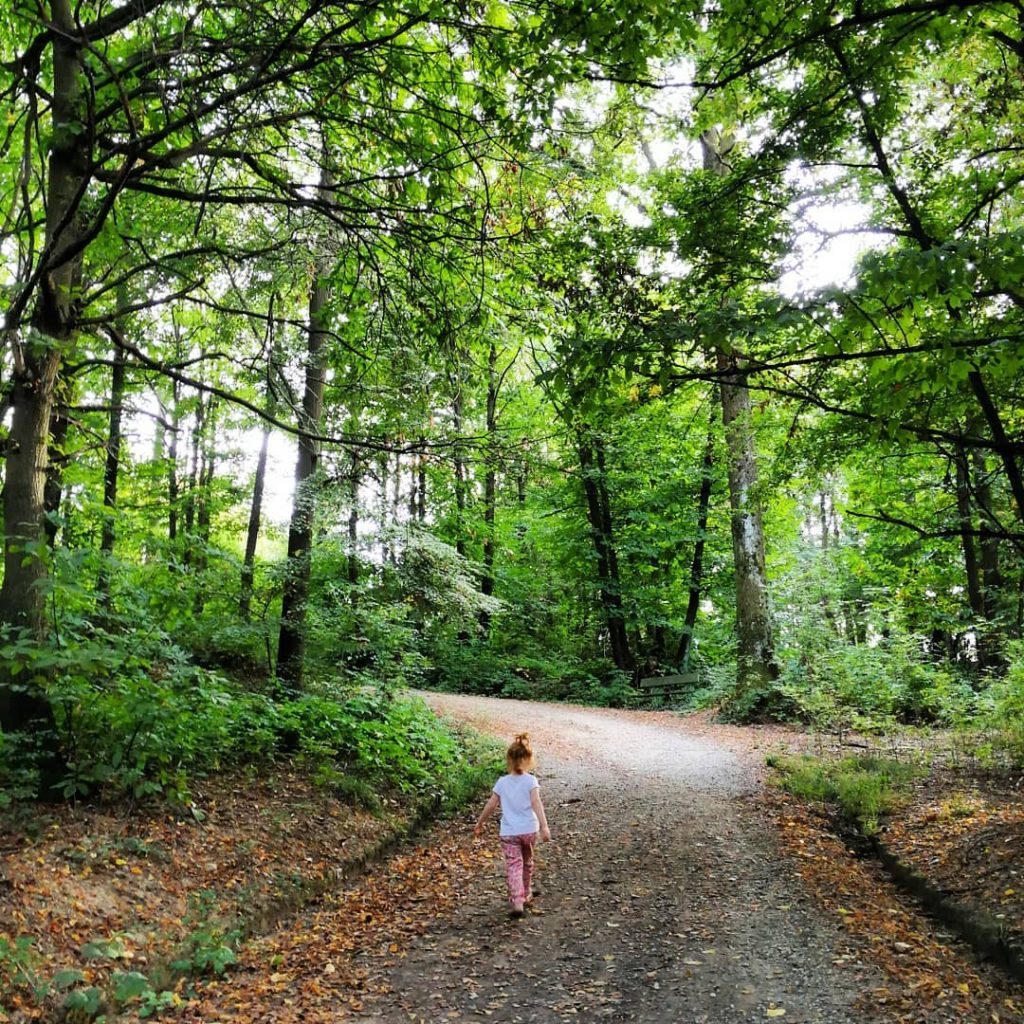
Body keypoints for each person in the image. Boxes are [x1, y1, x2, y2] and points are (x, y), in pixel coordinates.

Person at [473, 732, 551, 918]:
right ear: (528, 760)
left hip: (509, 833)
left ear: (509, 759)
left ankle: (518, 901)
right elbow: (536, 803)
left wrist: (480, 822)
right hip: (529, 830)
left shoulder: (502, 783)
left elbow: (491, 805)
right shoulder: (531, 781)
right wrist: (544, 826)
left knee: (513, 865)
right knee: (528, 862)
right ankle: (526, 892)